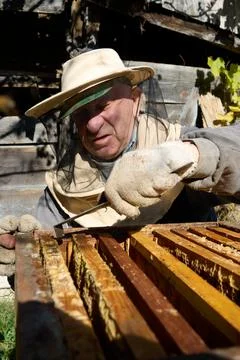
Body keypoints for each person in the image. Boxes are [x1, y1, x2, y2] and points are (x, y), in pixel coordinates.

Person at [1, 48, 240, 274]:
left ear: (136, 100)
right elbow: (42, 271)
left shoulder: (178, 141)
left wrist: (188, 155)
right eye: (81, 113)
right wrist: (22, 253)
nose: (92, 124)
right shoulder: (60, 194)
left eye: (102, 105)